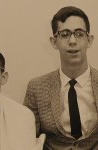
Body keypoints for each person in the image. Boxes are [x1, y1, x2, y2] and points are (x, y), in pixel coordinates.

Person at [24, 6, 98, 150]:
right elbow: (28, 140)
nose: (72, 41)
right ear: (54, 42)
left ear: (89, 40)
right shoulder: (36, 88)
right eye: (64, 34)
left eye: (79, 33)